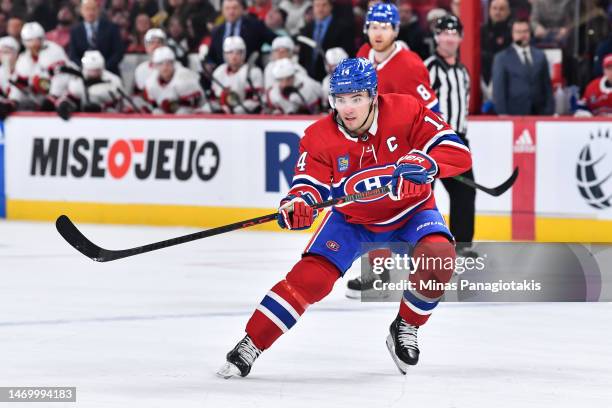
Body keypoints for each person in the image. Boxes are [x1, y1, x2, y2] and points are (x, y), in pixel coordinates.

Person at [217, 57, 471, 378]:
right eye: (340, 99)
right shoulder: (319, 136)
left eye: (357, 98)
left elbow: (457, 151)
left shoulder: (406, 110)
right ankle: (251, 342)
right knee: (309, 280)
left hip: (411, 212)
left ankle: (406, 325)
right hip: (353, 221)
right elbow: (308, 184)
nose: (347, 108)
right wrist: (299, 204)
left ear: (373, 96)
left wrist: (426, 162)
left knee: (440, 258)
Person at [424, 15, 476, 258]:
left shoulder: (463, 71)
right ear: (436, 37)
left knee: (465, 192)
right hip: (432, 142)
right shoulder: (429, 68)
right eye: (445, 33)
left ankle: (463, 244)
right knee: (423, 195)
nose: (450, 38)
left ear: (461, 38)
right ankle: (421, 244)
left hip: (457, 141)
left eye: (454, 33)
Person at [357, 3, 438, 110]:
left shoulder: (410, 66)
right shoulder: (363, 53)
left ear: (396, 31)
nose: (378, 34)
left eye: (384, 28)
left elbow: (432, 110)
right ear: (366, 30)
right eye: (374, 27)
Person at [492, 17, 554, 115]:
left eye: (525, 31)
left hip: (540, 115)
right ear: (512, 34)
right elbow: (498, 91)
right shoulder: (501, 58)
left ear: (530, 33)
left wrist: (549, 111)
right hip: (514, 116)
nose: (522, 35)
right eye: (518, 32)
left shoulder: (540, 56)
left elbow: (547, 87)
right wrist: (503, 116)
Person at [11, 22, 72, 111]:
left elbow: (61, 77)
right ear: (24, 42)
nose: (34, 44)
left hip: (61, 97)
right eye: (29, 40)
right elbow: (19, 83)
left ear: (42, 38)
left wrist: (52, 97)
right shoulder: (23, 58)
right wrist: (12, 101)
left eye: (37, 39)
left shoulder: (54, 50)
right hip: (37, 99)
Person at [205, 0, 277, 67]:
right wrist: (209, 64)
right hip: (224, 74)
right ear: (222, 11)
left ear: (242, 9)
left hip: (250, 72)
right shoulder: (217, 31)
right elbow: (211, 55)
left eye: (234, 8)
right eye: (227, 8)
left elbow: (276, 41)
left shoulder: (255, 26)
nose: (231, 12)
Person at [55, 50, 124, 120]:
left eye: (97, 70)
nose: (94, 74)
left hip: (107, 121)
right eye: (91, 70)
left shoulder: (113, 81)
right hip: (84, 121)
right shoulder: (77, 81)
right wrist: (64, 104)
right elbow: (70, 98)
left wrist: (102, 109)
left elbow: (120, 105)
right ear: (85, 69)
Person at [297, 0, 355, 81]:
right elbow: (302, 56)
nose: (320, 9)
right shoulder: (306, 28)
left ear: (330, 7)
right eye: (317, 5)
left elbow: (348, 53)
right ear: (313, 7)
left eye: (324, 5)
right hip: (309, 78)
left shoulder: (343, 28)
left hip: (334, 78)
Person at [68, 0, 125, 75]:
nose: (91, 12)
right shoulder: (75, 30)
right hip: (84, 74)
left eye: (93, 9)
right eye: (87, 9)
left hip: (110, 73)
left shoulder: (111, 28)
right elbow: (73, 55)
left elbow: (118, 52)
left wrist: (102, 68)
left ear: (98, 10)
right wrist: (86, 68)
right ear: (81, 11)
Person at [143, 46, 204, 114]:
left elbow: (195, 103)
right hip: (167, 112)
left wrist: (172, 106)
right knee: (156, 113)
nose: (165, 67)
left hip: (192, 112)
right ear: (155, 66)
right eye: (160, 64)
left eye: (168, 63)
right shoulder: (151, 82)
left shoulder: (184, 76)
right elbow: (153, 104)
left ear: (173, 63)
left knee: (182, 112)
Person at [211, 36, 263, 114]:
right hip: (222, 114)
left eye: (238, 52)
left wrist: (233, 111)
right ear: (225, 54)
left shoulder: (253, 72)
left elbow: (255, 101)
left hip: (246, 117)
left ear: (244, 53)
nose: (234, 56)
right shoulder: (218, 72)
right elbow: (214, 98)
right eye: (230, 52)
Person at [480, 0, 512, 104]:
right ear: (489, 10)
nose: (497, 12)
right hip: (483, 76)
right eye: (494, 8)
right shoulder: (481, 31)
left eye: (502, 9)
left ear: (508, 12)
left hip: (507, 78)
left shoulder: (512, 32)